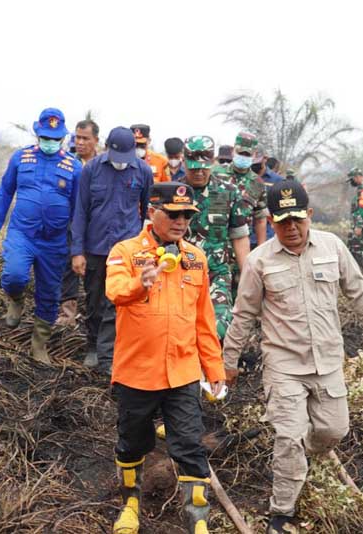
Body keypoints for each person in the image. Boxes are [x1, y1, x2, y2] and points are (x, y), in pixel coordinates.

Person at [223, 179, 363, 532]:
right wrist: (228, 361)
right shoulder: (259, 260)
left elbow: (359, 293)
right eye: (281, 222)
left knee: (333, 431)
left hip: (327, 362)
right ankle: (282, 512)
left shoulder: (333, 247)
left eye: (297, 219)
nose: (290, 228)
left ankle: (303, 456)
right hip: (283, 365)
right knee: (289, 438)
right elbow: (243, 314)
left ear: (309, 214)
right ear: (272, 220)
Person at [106, 182, 226, 534]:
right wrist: (139, 283)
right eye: (173, 214)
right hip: (137, 371)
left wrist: (213, 367)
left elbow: (204, 318)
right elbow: (113, 291)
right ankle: (130, 503)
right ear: (151, 211)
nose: (181, 221)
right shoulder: (125, 252)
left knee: (189, 444)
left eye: (187, 215)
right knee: (132, 442)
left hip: (183, 370)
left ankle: (197, 519)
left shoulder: (196, 258)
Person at [0, 107, 82, 364]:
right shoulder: (21, 158)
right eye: (46, 138)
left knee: (49, 293)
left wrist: (78, 246)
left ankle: (39, 345)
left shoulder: (74, 166)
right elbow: (5, 192)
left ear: (62, 139)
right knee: (14, 274)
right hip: (22, 233)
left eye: (55, 139)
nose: (50, 143)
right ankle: (15, 299)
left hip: (55, 240)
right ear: (37, 134)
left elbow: (79, 209)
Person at [70, 126, 153, 374]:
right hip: (96, 247)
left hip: (126, 250)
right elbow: (80, 211)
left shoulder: (143, 171)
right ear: (107, 149)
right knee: (95, 301)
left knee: (120, 302)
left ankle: (115, 354)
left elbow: (147, 209)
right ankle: (93, 347)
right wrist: (77, 251)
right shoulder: (92, 169)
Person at [178, 136, 251, 341]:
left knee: (219, 326)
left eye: (204, 168)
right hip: (179, 272)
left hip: (216, 272)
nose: (199, 173)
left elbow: (240, 237)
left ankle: (212, 368)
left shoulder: (228, 192)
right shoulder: (173, 193)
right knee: (182, 327)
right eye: (194, 168)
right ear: (184, 163)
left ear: (213, 163)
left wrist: (248, 274)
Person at [55, 119, 100, 328]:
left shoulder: (103, 166)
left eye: (85, 138)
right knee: (68, 267)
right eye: (77, 138)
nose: (80, 142)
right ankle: (67, 314)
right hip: (70, 224)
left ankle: (94, 317)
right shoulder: (67, 162)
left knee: (94, 273)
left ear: (95, 140)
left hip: (96, 227)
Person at [215, 132, 268, 248]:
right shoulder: (215, 175)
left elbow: (260, 220)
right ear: (233, 151)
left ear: (254, 155)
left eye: (247, 154)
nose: (243, 157)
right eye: (240, 153)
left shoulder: (257, 183)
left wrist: (261, 251)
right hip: (214, 247)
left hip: (241, 247)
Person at [249, 149, 283, 246]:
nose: (254, 164)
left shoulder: (277, 180)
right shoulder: (244, 179)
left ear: (265, 159)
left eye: (257, 162)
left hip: (269, 236)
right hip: (245, 236)